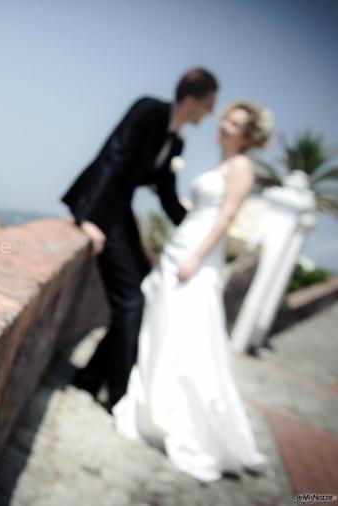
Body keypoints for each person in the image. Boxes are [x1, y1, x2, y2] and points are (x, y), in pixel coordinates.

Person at [112, 101, 273, 482]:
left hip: (196, 257)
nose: (223, 125)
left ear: (248, 135)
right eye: (225, 119)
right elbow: (201, 208)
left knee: (186, 334)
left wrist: (197, 258)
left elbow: (226, 217)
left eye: (233, 123)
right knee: (162, 326)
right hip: (180, 248)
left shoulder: (241, 167)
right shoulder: (221, 165)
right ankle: (151, 404)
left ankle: (180, 416)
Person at [62, 68, 218, 410]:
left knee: (140, 293)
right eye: (209, 104)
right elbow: (113, 155)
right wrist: (87, 217)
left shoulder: (177, 141)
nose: (210, 113)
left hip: (121, 213)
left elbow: (166, 194)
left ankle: (90, 378)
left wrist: (201, 223)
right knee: (131, 300)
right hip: (102, 208)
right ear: (192, 99)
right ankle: (118, 396)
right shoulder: (149, 110)